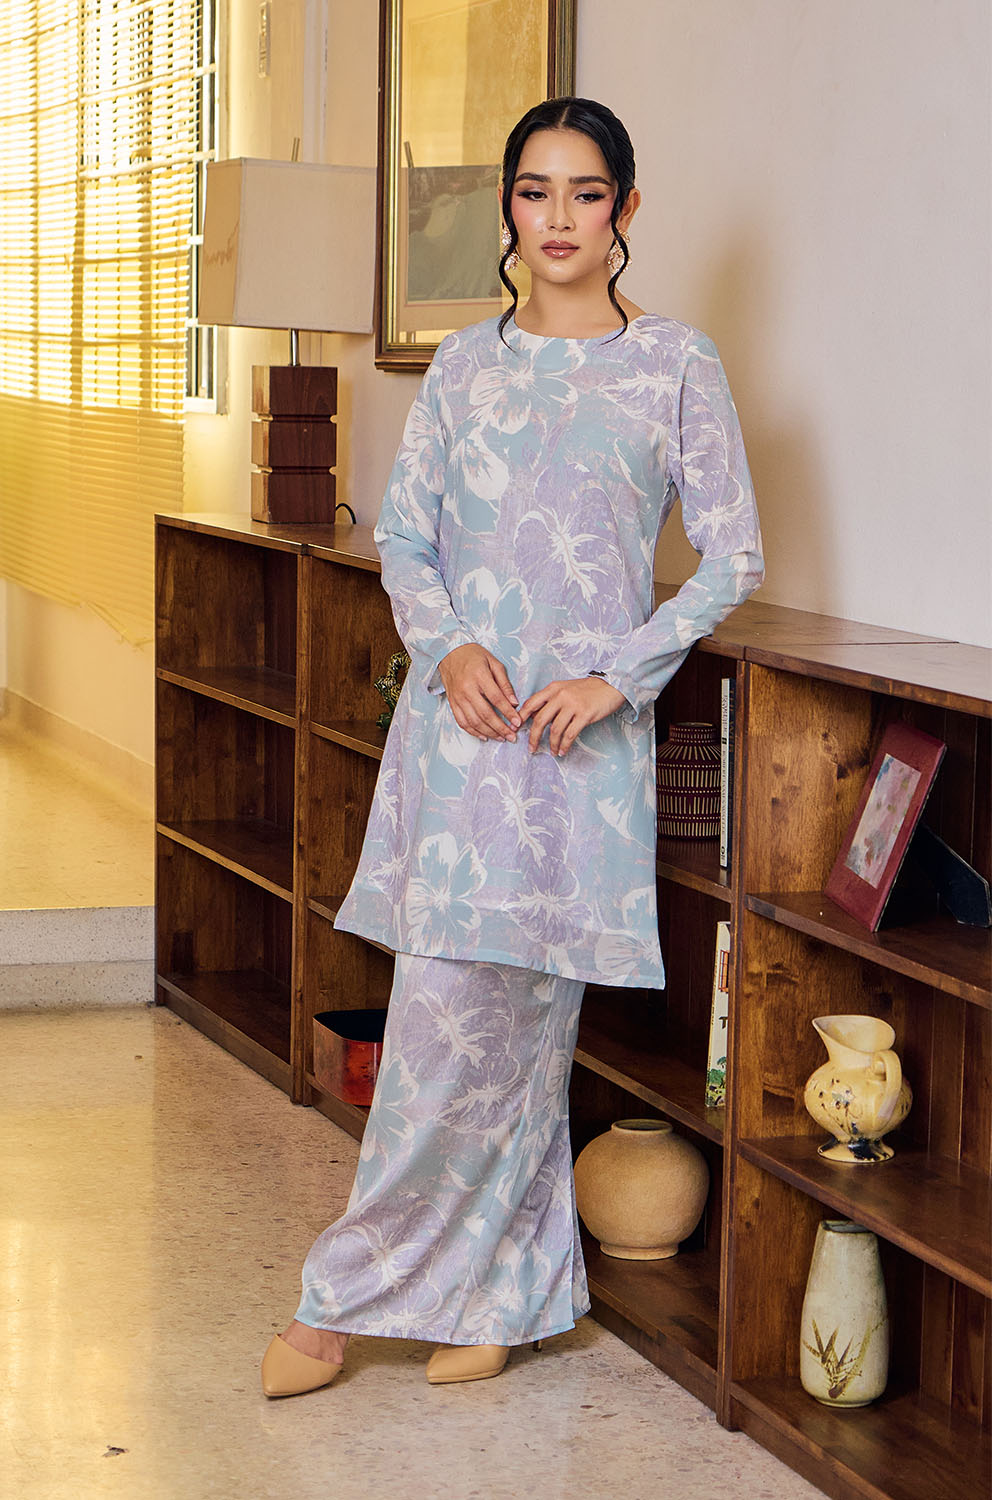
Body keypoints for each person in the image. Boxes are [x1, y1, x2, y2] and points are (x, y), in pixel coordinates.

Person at [261, 96, 763, 1397]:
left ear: (625, 210)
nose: (559, 218)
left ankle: (496, 1298)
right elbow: (406, 538)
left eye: (586, 194)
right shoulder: (462, 368)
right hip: (465, 740)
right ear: (507, 208)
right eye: (535, 192)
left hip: (582, 755)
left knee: (534, 1035)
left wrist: (619, 678)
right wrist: (446, 648)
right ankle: (343, 1298)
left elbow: (733, 555)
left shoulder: (675, 366)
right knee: (440, 1027)